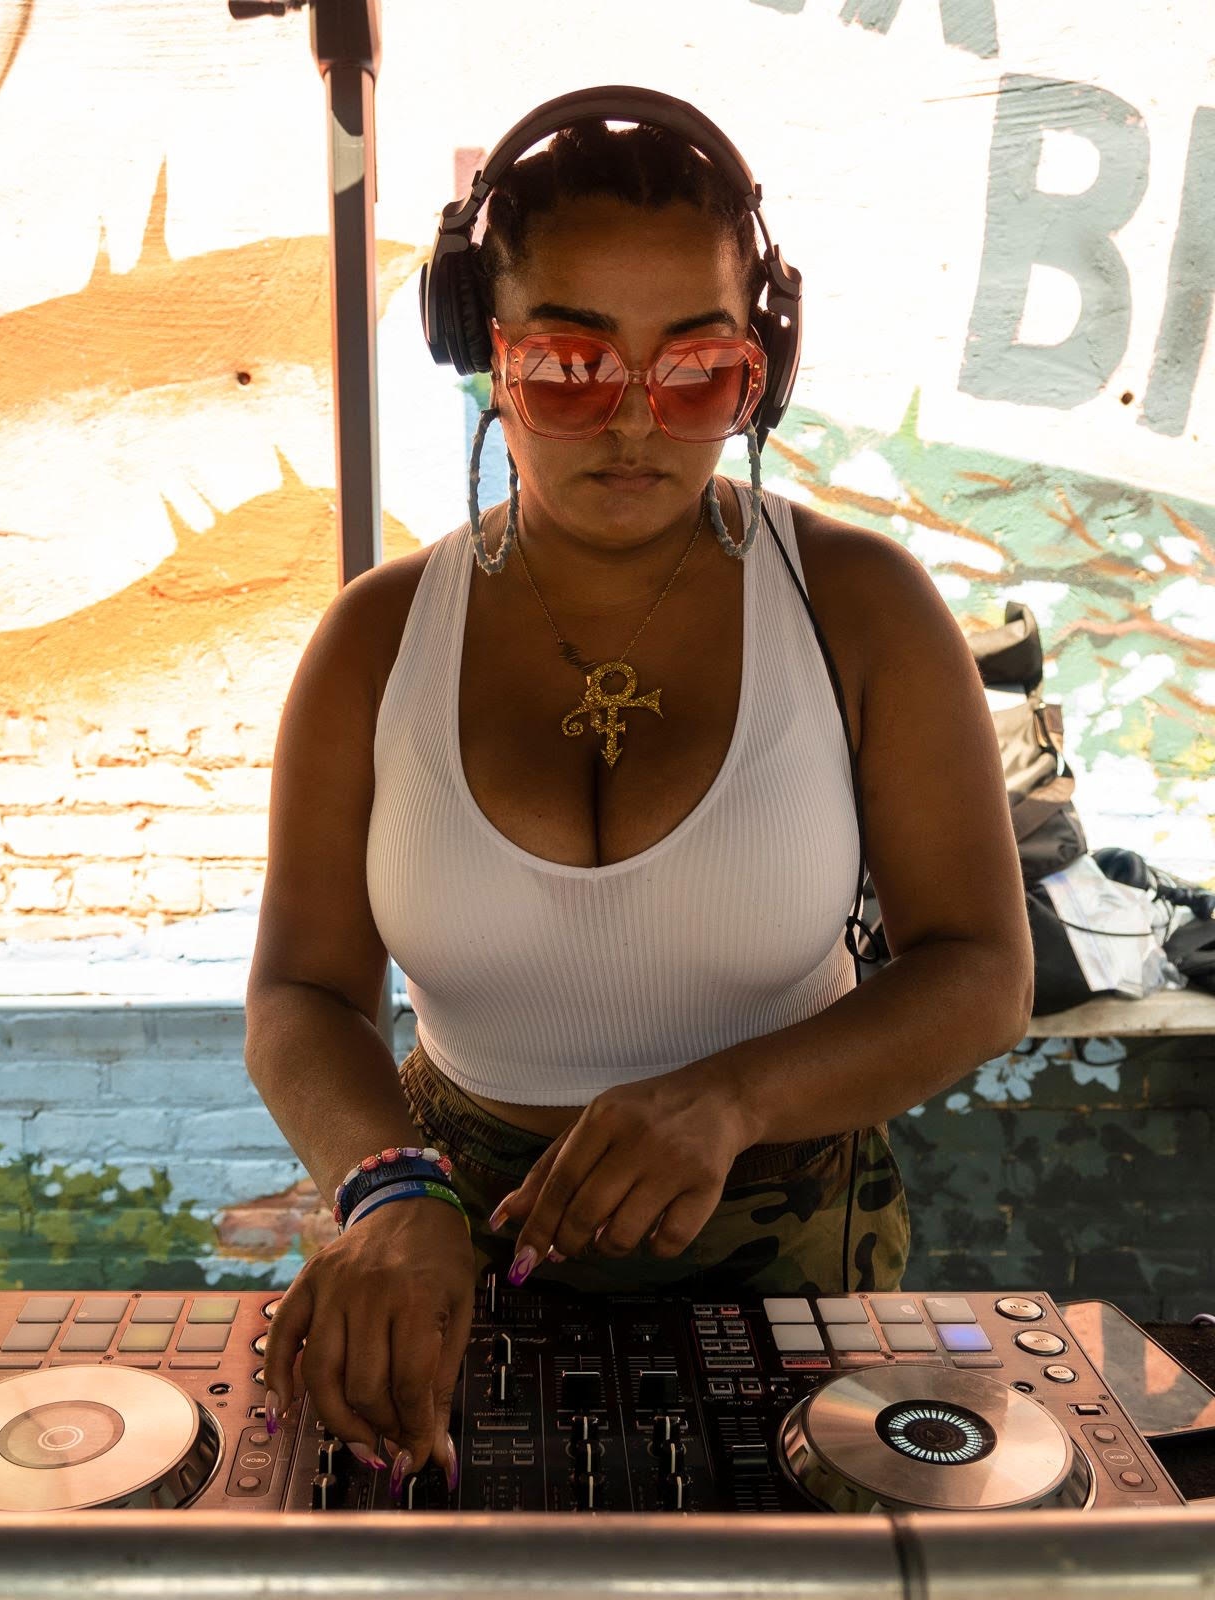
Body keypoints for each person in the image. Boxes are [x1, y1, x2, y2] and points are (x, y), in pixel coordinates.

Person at [246, 115, 1033, 1503]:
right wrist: (390, 1192)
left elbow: (980, 971)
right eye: (569, 364)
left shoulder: (862, 610)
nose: (630, 418)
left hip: (799, 1276)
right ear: (484, 350)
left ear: (760, 369)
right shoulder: (376, 641)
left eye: (696, 369)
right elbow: (303, 992)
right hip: (451, 1253)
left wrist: (732, 1097)